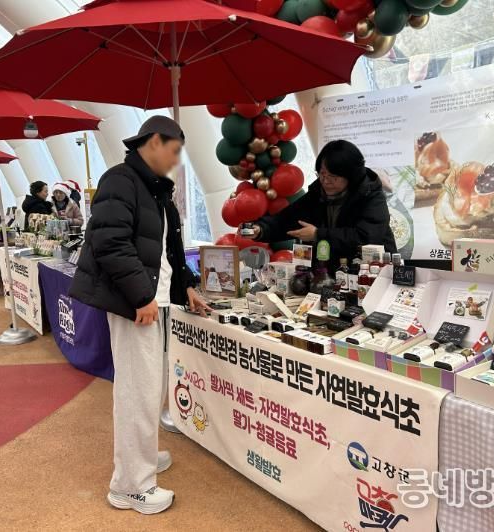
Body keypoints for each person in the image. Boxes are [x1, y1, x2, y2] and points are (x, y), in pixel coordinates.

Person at [69, 116, 210, 515]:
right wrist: (141, 296)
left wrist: (186, 287)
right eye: (175, 150)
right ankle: (130, 485)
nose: (177, 160)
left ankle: (142, 457)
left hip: (154, 301)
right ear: (154, 142)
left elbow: (168, 250)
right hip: (136, 305)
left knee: (151, 387)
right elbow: (110, 243)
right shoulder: (120, 180)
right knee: (137, 391)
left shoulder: (154, 188)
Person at [244, 140, 396, 271]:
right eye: (322, 174)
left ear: (351, 176)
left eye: (333, 176)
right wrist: (260, 229)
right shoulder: (318, 193)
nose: (326, 181)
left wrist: (318, 234)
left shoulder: (370, 195)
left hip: (374, 271)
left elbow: (365, 237)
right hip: (333, 272)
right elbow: (288, 219)